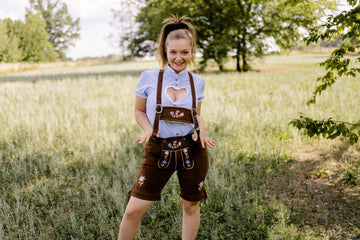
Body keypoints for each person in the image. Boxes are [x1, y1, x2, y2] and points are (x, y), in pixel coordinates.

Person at [118, 15, 215, 240]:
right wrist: (147, 129)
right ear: (165, 50)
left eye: (184, 52)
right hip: (158, 149)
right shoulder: (149, 78)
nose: (179, 58)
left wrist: (203, 130)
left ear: (191, 52)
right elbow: (139, 111)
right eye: (173, 52)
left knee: (190, 205)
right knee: (133, 210)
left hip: (192, 150)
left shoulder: (197, 82)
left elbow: (196, 116)